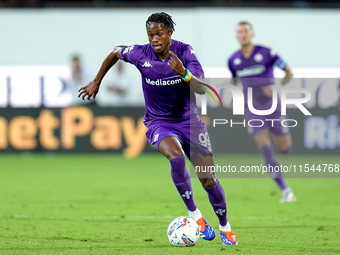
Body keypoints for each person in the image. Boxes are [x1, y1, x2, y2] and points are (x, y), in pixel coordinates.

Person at [78, 12, 238, 245]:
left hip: (189, 121)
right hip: (158, 122)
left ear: (170, 33)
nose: (154, 39)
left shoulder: (184, 52)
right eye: (150, 34)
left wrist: (183, 73)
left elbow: (202, 89)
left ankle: (225, 226)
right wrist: (96, 81)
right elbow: (115, 52)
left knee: (208, 180)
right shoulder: (140, 53)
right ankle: (195, 215)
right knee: (175, 157)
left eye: (159, 34)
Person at [227, 21, 296, 203]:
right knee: (264, 146)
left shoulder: (267, 53)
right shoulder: (233, 60)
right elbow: (234, 80)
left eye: (246, 31)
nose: (243, 34)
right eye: (240, 32)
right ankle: (285, 190)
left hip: (273, 105)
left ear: (252, 34)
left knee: (285, 148)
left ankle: (282, 142)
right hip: (252, 107)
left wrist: (276, 87)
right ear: (237, 36)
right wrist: (233, 96)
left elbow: (289, 72)